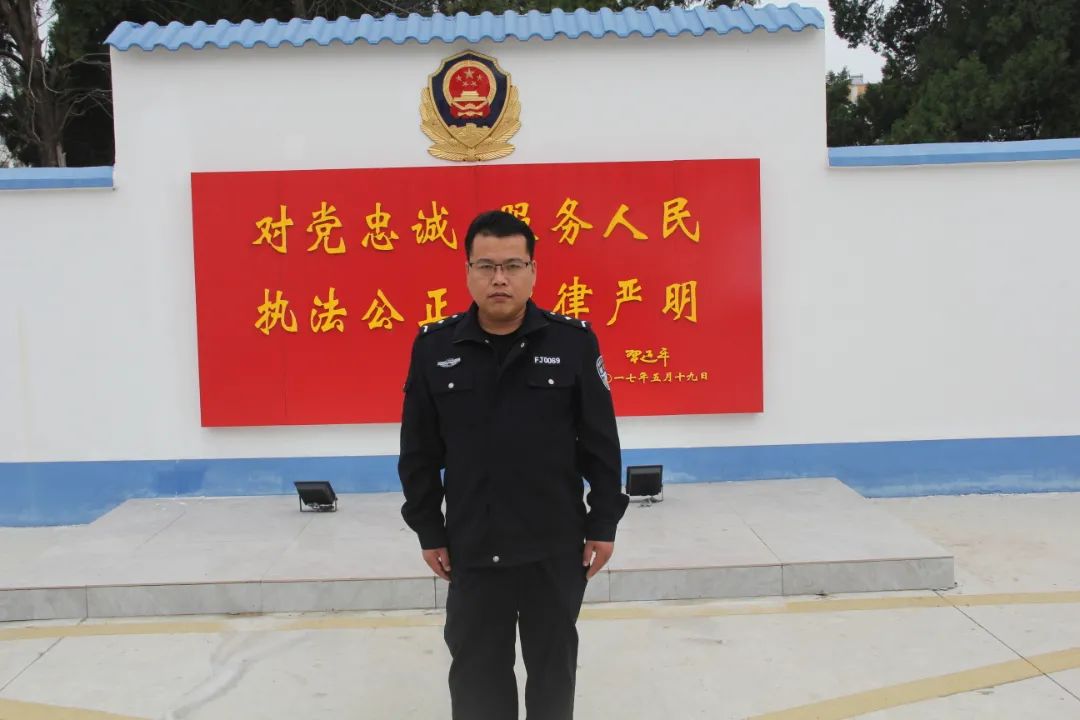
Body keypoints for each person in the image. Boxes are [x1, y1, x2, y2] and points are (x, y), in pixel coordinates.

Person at [398, 209, 629, 720]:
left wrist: (603, 522)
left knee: (552, 676)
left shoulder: (572, 343)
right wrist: (428, 529)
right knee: (477, 680)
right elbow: (418, 453)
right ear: (468, 272)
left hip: (553, 547)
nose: (499, 278)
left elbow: (600, 444)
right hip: (473, 548)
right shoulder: (435, 348)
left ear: (533, 270)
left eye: (512, 265)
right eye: (485, 266)